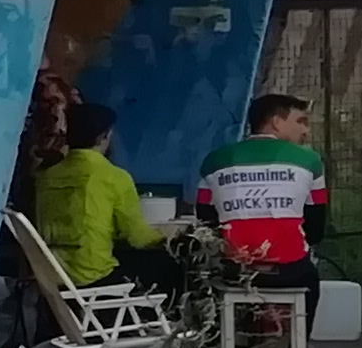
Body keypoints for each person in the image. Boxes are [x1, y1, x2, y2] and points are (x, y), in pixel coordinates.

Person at [193, 91, 338, 315]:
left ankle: (226, 335)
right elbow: (316, 227)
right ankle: (299, 337)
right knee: (309, 281)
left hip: (234, 270)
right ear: (276, 122)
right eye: (300, 121)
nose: (305, 130)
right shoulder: (310, 161)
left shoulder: (214, 160)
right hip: (291, 270)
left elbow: (206, 220)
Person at [26, 100, 171, 293]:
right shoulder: (114, 177)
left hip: (53, 276)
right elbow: (137, 237)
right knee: (167, 263)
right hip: (92, 276)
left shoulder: (46, 176)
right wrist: (168, 236)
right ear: (104, 136)